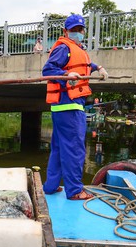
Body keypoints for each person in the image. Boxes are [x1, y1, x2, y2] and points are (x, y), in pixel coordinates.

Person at [42, 13, 108, 201]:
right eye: (75, 30)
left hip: (64, 108)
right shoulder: (64, 47)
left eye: (81, 30)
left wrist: (97, 67)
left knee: (59, 148)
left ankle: (51, 186)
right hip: (69, 107)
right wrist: (66, 73)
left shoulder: (76, 48)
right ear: (66, 31)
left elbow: (85, 64)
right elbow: (48, 70)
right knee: (75, 149)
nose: (78, 33)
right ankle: (75, 191)